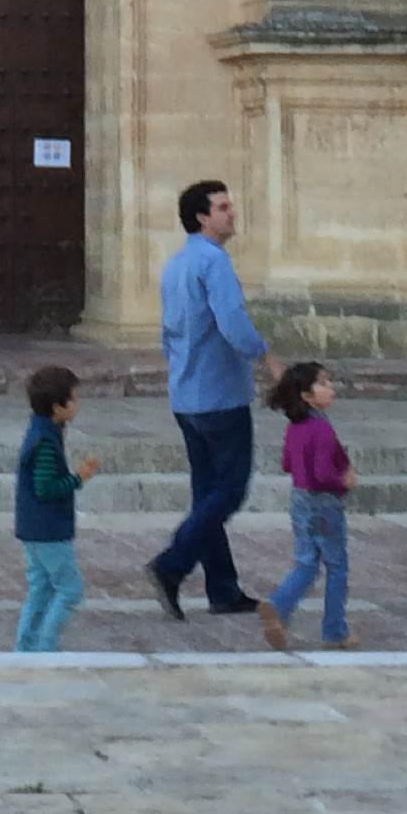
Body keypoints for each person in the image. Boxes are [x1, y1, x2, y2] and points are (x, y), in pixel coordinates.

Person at [146, 178, 267, 622]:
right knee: (230, 490)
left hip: (186, 394)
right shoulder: (213, 263)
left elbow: (167, 331)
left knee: (207, 495)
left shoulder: (176, 264)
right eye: (222, 207)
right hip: (220, 394)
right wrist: (265, 355)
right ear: (202, 216)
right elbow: (233, 323)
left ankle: (223, 588)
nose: (231, 213)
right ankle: (171, 564)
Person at [257, 356, 352, 650]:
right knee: (336, 566)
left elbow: (287, 463)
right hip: (324, 503)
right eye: (322, 383)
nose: (330, 387)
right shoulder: (322, 429)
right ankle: (335, 629)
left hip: (300, 500)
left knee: (307, 562)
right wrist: (343, 480)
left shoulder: (295, 427)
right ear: (307, 396)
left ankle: (279, 604)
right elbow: (323, 473)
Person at [13, 363, 98, 652]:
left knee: (40, 588)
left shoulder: (42, 430)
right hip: (48, 529)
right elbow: (45, 487)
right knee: (69, 589)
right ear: (57, 406)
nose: (77, 404)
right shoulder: (45, 442)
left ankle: (25, 647)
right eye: (73, 398)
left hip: (31, 527)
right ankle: (45, 647)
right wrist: (78, 478)